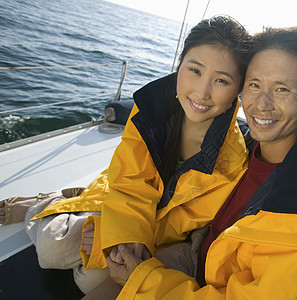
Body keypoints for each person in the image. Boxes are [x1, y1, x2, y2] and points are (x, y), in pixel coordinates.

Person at [102, 26, 297, 299]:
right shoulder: (252, 151)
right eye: (254, 85)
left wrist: (145, 281)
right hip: (202, 257)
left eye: (282, 89)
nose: (262, 104)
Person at [15, 15, 251, 295]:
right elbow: (130, 182)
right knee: (53, 248)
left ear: (239, 89)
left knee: (91, 279)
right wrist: (120, 234)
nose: (202, 92)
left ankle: (70, 210)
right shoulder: (151, 111)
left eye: (221, 80)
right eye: (195, 70)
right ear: (180, 63)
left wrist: (122, 239)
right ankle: (46, 203)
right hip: (119, 198)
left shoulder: (232, 161)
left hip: (158, 234)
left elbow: (185, 220)